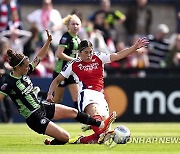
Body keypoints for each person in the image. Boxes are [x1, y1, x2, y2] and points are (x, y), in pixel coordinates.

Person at [0, 30, 116, 145]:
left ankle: (101, 125)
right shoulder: (8, 83)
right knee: (65, 137)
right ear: (17, 68)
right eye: (25, 66)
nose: (28, 68)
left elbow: (39, 57)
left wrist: (48, 41)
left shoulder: (25, 72)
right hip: (34, 117)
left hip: (41, 106)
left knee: (73, 112)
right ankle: (53, 143)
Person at [47, 37, 148, 144]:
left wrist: (134, 47)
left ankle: (80, 140)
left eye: (90, 52)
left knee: (101, 131)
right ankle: (99, 131)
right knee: (97, 117)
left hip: (100, 95)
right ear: (79, 52)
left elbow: (118, 55)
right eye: (86, 52)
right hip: (86, 94)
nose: (89, 55)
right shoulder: (73, 64)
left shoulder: (99, 57)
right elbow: (57, 80)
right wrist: (50, 93)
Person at [53, 14, 81, 106]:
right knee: (56, 100)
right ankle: (40, 95)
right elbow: (59, 54)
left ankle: (80, 119)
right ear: (68, 26)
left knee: (77, 99)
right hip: (61, 71)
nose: (75, 26)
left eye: (77, 24)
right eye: (73, 24)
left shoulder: (78, 39)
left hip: (72, 72)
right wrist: (74, 60)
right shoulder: (66, 38)